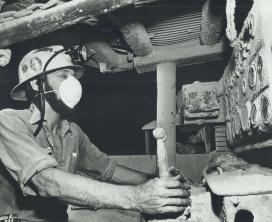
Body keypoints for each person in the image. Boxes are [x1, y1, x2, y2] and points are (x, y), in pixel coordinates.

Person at [0, 45, 191, 222]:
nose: (72, 82)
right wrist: (136, 197)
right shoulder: (9, 121)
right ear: (36, 84)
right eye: (63, 75)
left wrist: (157, 183)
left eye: (73, 76)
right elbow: (45, 181)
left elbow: (108, 170)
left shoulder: (72, 132)